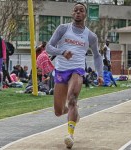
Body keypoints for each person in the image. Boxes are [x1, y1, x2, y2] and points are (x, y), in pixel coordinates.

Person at [46, 2, 103, 149]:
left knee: (72, 99)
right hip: (60, 71)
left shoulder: (91, 36)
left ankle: (70, 135)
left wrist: (100, 74)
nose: (78, 12)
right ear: (72, 13)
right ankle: (74, 113)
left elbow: (97, 56)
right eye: (76, 10)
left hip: (77, 70)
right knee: (58, 111)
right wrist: (62, 52)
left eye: (81, 10)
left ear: (85, 15)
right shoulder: (63, 29)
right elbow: (49, 47)